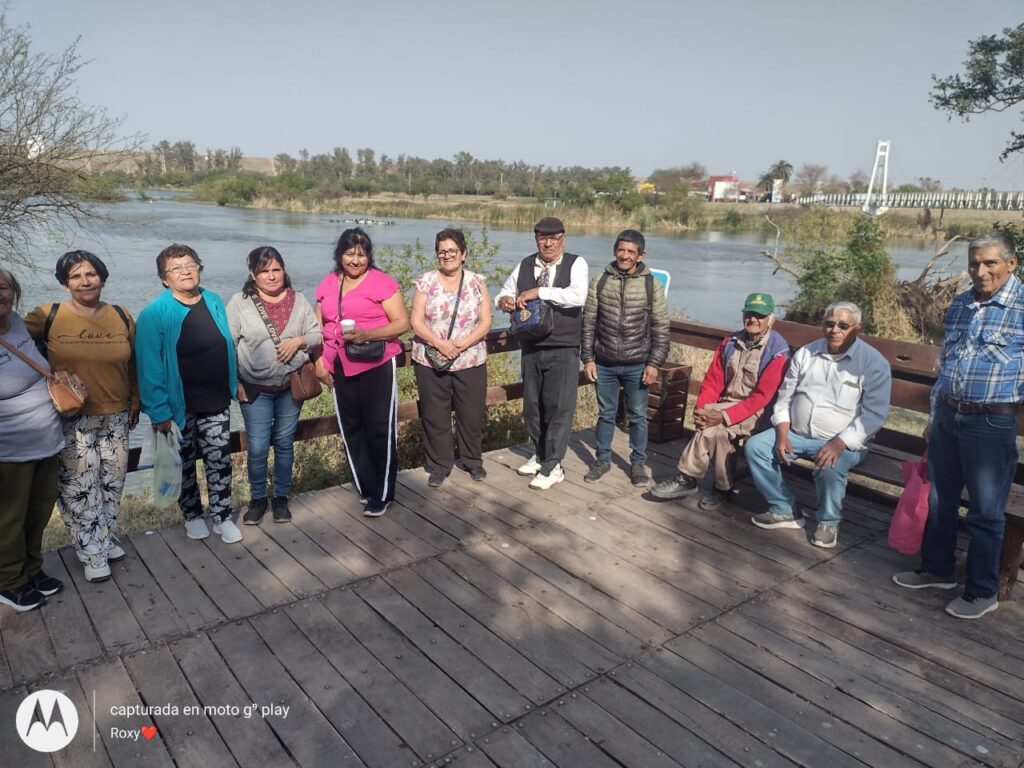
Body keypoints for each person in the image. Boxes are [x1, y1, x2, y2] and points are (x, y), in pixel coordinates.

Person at [894, 232, 1024, 619]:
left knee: (985, 510)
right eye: (973, 264)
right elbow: (946, 363)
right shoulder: (962, 304)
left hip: (991, 421)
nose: (980, 272)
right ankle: (937, 569)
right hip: (949, 415)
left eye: (989, 264)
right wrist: (935, 419)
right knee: (939, 499)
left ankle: (982, 591)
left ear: (1011, 264)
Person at [24, 251, 139, 582]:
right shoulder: (47, 315)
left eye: (91, 274)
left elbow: (131, 363)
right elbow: (13, 341)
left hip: (116, 414)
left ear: (102, 277)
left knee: (111, 483)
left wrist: (135, 400)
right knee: (78, 487)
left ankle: (102, 538)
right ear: (64, 283)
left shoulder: (121, 314)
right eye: (75, 276)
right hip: (72, 416)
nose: (84, 281)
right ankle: (92, 553)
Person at [744, 301, 890, 548]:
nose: (835, 330)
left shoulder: (874, 364)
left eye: (843, 325)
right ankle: (784, 508)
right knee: (756, 447)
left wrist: (838, 443)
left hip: (843, 441)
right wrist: (782, 432)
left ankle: (828, 522)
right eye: (829, 323)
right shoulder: (807, 353)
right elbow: (785, 397)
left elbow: (873, 415)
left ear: (857, 328)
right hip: (796, 432)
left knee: (830, 464)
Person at [135, 244, 243, 544]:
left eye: (190, 264)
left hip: (216, 400)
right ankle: (193, 515)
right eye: (176, 267)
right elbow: (149, 366)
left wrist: (235, 382)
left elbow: (227, 346)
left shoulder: (213, 299)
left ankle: (223, 516)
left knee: (220, 460)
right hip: (176, 406)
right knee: (181, 464)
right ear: (164, 278)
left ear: (199, 267)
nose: (185, 271)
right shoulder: (154, 314)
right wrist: (159, 411)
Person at [652, 292, 790, 509]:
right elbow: (713, 381)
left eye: (760, 316)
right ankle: (719, 488)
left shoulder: (777, 351)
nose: (753, 319)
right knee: (712, 427)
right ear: (743, 314)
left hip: (758, 411)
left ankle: (691, 479)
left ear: (769, 319)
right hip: (726, 403)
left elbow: (763, 397)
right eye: (749, 313)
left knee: (719, 430)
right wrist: (701, 410)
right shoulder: (730, 342)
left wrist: (724, 416)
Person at [315, 228, 410, 517]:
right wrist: (319, 360)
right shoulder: (329, 283)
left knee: (379, 428)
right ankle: (365, 486)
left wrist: (368, 334)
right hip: (340, 364)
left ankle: (382, 493)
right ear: (339, 254)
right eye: (349, 254)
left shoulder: (383, 283)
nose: (355, 260)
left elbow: (401, 323)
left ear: (369, 255)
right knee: (352, 428)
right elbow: (317, 325)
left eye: (361, 254)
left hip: (377, 364)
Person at [227, 246, 322, 525]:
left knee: (283, 443)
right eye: (264, 271)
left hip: (290, 386)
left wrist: (299, 341)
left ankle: (281, 497)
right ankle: (258, 500)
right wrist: (233, 382)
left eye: (276, 269)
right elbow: (227, 345)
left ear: (284, 271)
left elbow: (317, 334)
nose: (271, 276)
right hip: (254, 388)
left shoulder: (300, 301)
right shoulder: (239, 303)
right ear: (253, 275)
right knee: (256, 446)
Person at [496, 217, 589, 490]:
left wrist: (540, 291)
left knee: (559, 407)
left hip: (563, 347)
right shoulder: (526, 264)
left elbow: (578, 296)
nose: (548, 242)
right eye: (542, 237)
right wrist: (504, 300)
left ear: (563, 238)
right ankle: (540, 454)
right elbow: (504, 290)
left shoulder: (576, 263)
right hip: (531, 346)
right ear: (536, 238)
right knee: (533, 406)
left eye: (554, 237)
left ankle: (554, 465)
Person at [580, 229, 669, 486]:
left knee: (638, 416)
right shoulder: (600, 280)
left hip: (637, 364)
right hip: (604, 362)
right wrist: (588, 358)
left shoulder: (652, 285)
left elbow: (661, 327)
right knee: (605, 414)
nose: (625, 255)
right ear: (614, 250)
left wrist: (654, 363)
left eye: (631, 251)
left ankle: (638, 463)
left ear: (641, 255)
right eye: (621, 250)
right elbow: (588, 322)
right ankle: (603, 460)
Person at [0, 268, 65, 611]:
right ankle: (9, 581)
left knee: (39, 510)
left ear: (14, 291)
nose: (0, 294)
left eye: (4, 287)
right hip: (9, 447)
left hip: (46, 438)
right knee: (9, 516)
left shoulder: (17, 323)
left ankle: (31, 569)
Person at [411, 228, 492, 487]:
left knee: (470, 413)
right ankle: (439, 465)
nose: (447, 255)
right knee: (435, 415)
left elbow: (486, 320)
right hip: (431, 358)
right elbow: (416, 320)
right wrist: (439, 344)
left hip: (470, 358)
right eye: (442, 251)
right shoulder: (426, 282)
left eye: (452, 251)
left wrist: (461, 344)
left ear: (464, 253)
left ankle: (472, 461)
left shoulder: (477, 282)